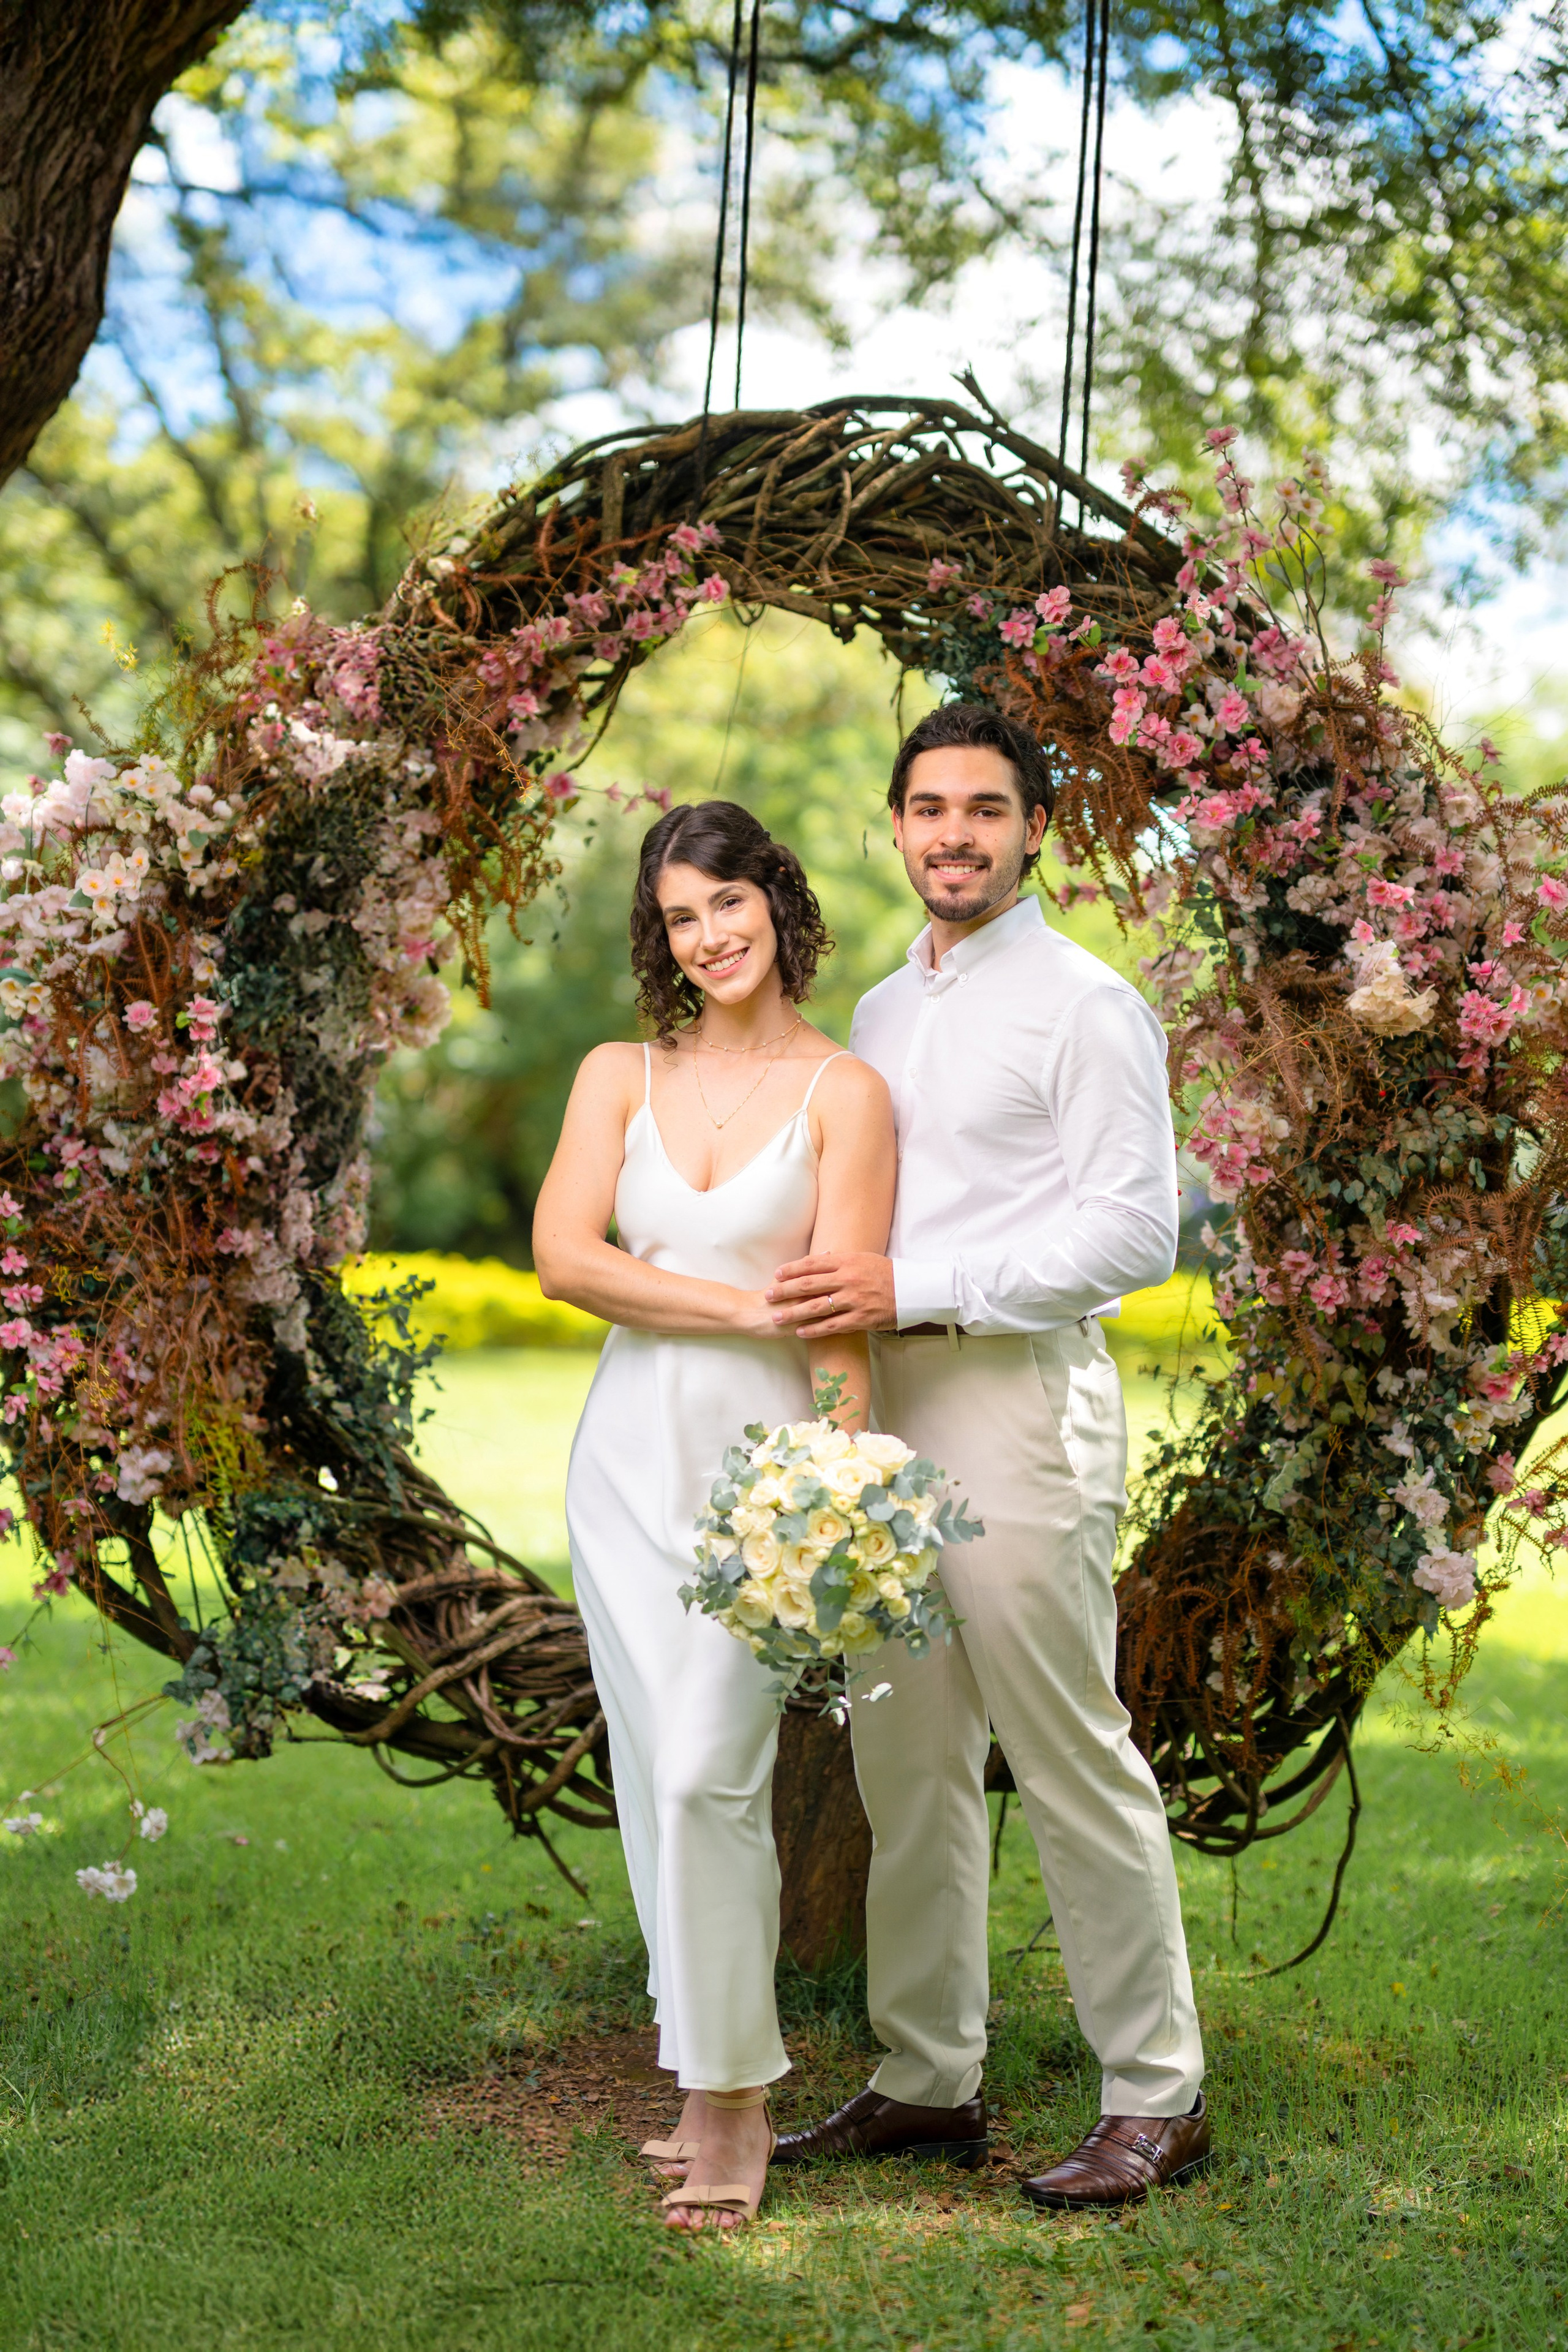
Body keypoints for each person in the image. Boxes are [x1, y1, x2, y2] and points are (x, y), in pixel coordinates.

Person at [764, 702, 1210, 2210]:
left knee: (1069, 1749)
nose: (952, 833)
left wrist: (921, 1289)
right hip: (884, 1426)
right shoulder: (880, 1013)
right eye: (927, 807)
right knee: (903, 1757)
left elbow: (1133, 1231)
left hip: (1019, 1411)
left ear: (1034, 831)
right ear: (894, 825)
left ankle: (1156, 2095)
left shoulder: (1088, 1005)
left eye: (984, 809)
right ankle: (922, 2077)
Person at [533, 799, 895, 2233]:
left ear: (777, 903)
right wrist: (751, 1300)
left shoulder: (844, 1094)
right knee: (653, 1782)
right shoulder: (615, 1073)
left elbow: (842, 1322)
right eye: (681, 915)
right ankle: (702, 2074)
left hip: (765, 1488)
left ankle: (738, 2101)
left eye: (729, 902)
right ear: (659, 933)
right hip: (623, 1467)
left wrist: (847, 1485)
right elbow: (567, 1260)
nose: (710, 934)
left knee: (706, 1776)